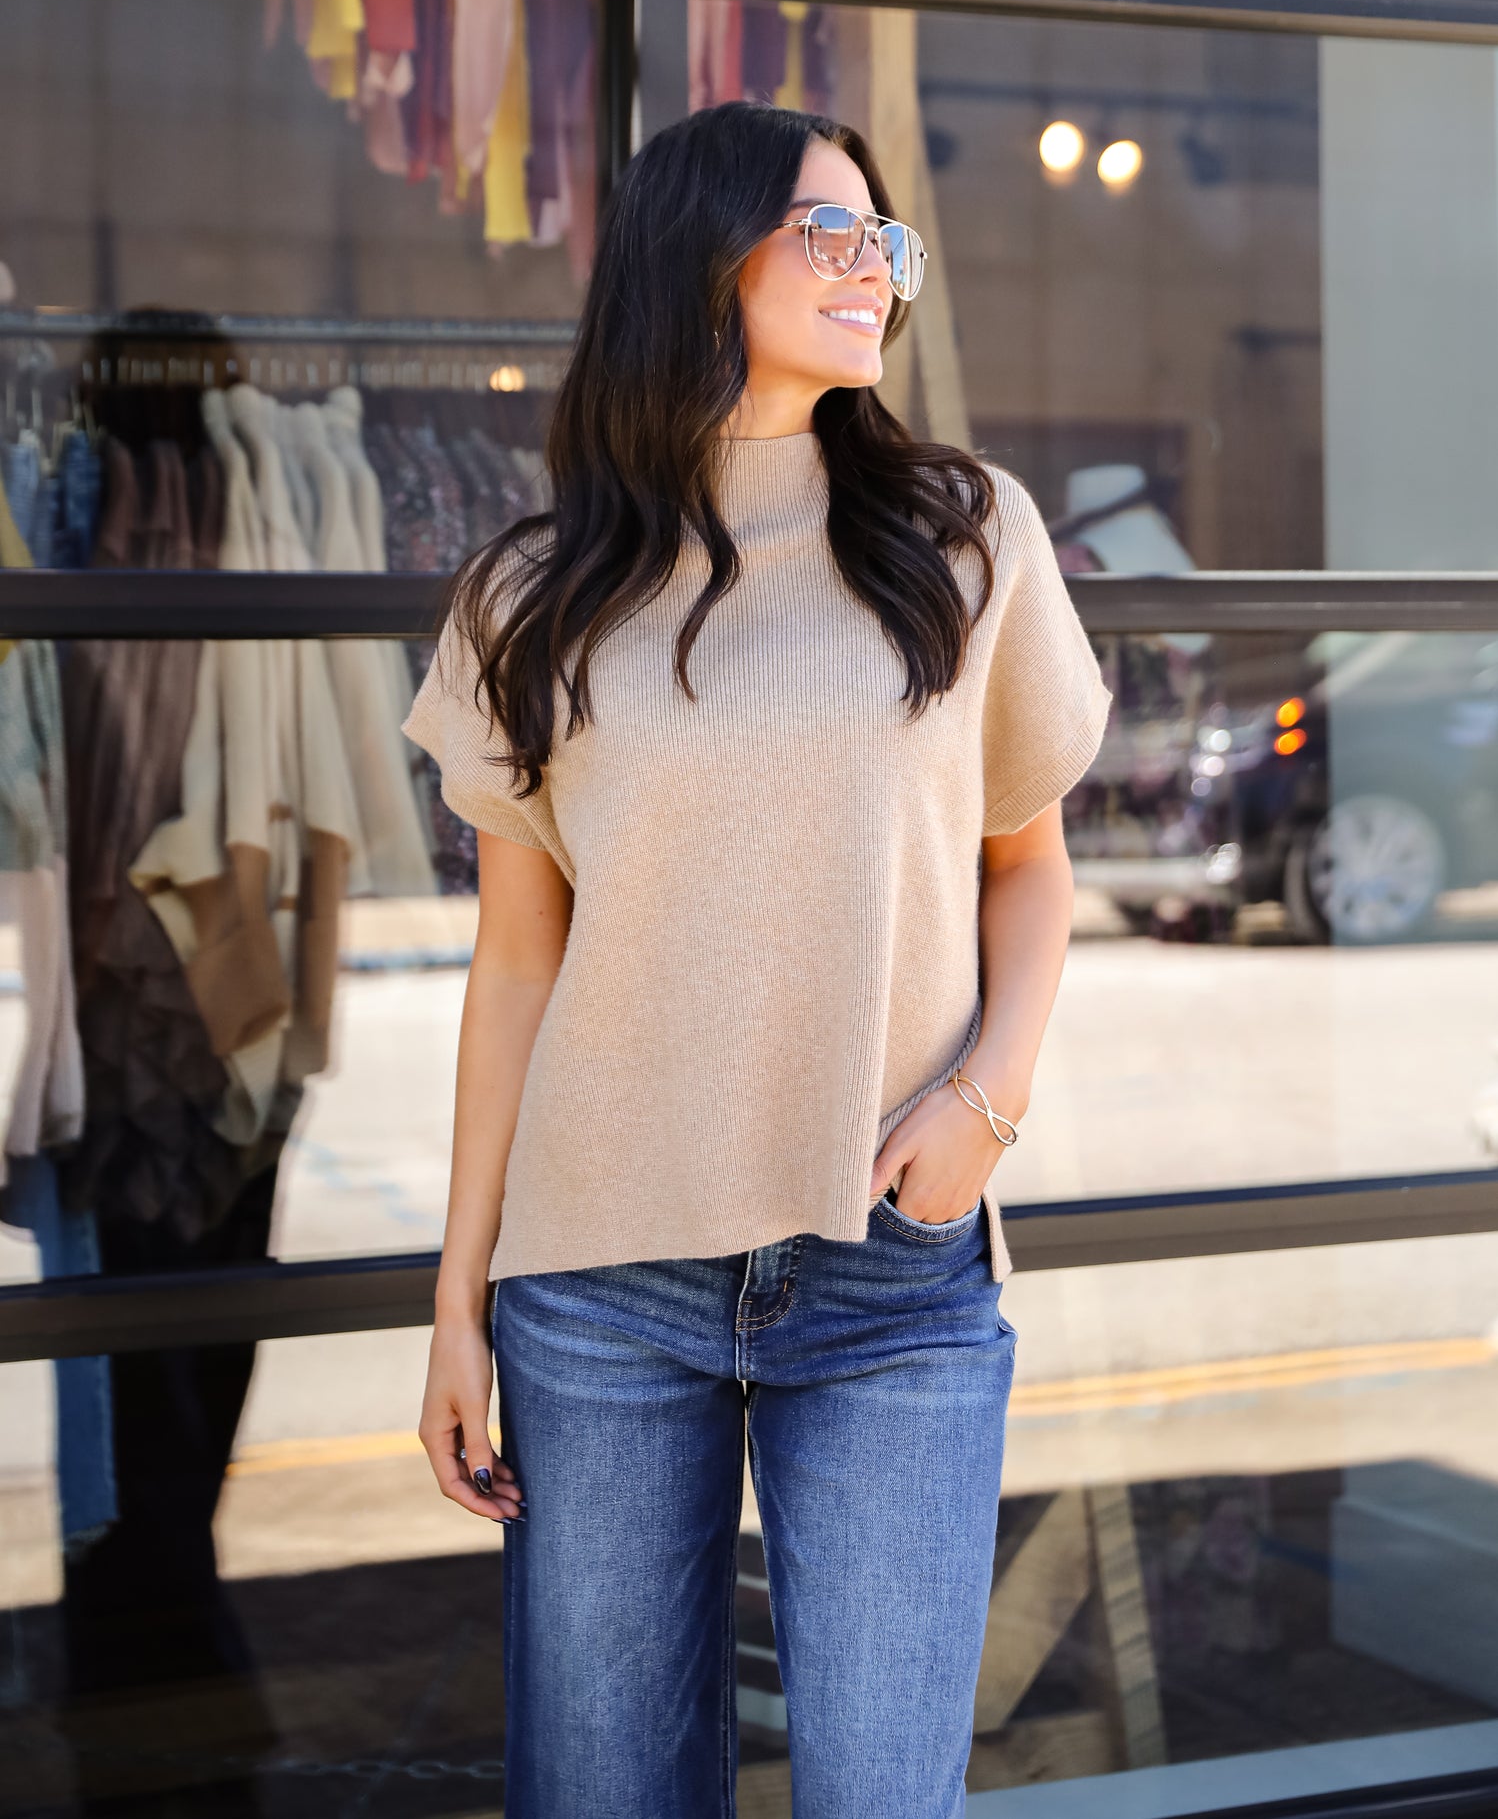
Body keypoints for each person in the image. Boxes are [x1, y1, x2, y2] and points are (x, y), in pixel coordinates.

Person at [404, 100, 1110, 1818]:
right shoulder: (536, 592)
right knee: (607, 1796)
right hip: (603, 1286)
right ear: (697, 253)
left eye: (887, 240)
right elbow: (515, 969)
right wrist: (455, 1296)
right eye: (829, 230)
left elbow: (1032, 873)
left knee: (886, 1791)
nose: (875, 269)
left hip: (890, 1278)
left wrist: (986, 1103)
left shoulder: (965, 536)